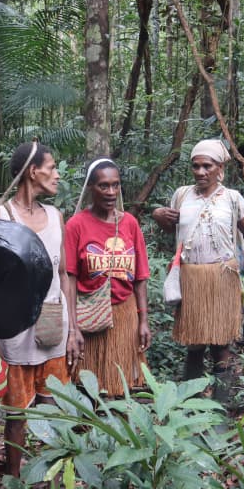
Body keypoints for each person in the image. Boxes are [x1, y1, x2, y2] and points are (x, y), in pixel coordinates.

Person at [0, 140, 83, 477]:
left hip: (52, 320)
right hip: (17, 328)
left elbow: (63, 276)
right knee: (17, 412)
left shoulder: (56, 216)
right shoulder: (1, 217)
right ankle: (14, 481)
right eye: (52, 167)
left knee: (53, 404)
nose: (57, 175)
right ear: (33, 172)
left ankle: (53, 480)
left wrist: (73, 328)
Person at [151, 139, 244, 402]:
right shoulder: (182, 195)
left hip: (223, 277)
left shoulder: (233, 199)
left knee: (221, 343)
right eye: (196, 166)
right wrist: (158, 215)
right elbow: (171, 229)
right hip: (192, 278)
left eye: (207, 166)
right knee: (194, 342)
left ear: (219, 167)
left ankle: (221, 406)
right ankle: (192, 405)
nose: (200, 172)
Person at [64, 159, 151, 397]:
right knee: (87, 388)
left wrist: (143, 320)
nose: (111, 192)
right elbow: (69, 278)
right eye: (104, 186)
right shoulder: (76, 225)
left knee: (122, 386)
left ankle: (120, 431)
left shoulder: (130, 224)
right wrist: (73, 328)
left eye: (116, 185)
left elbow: (140, 277)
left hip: (124, 315)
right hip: (89, 316)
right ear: (91, 187)